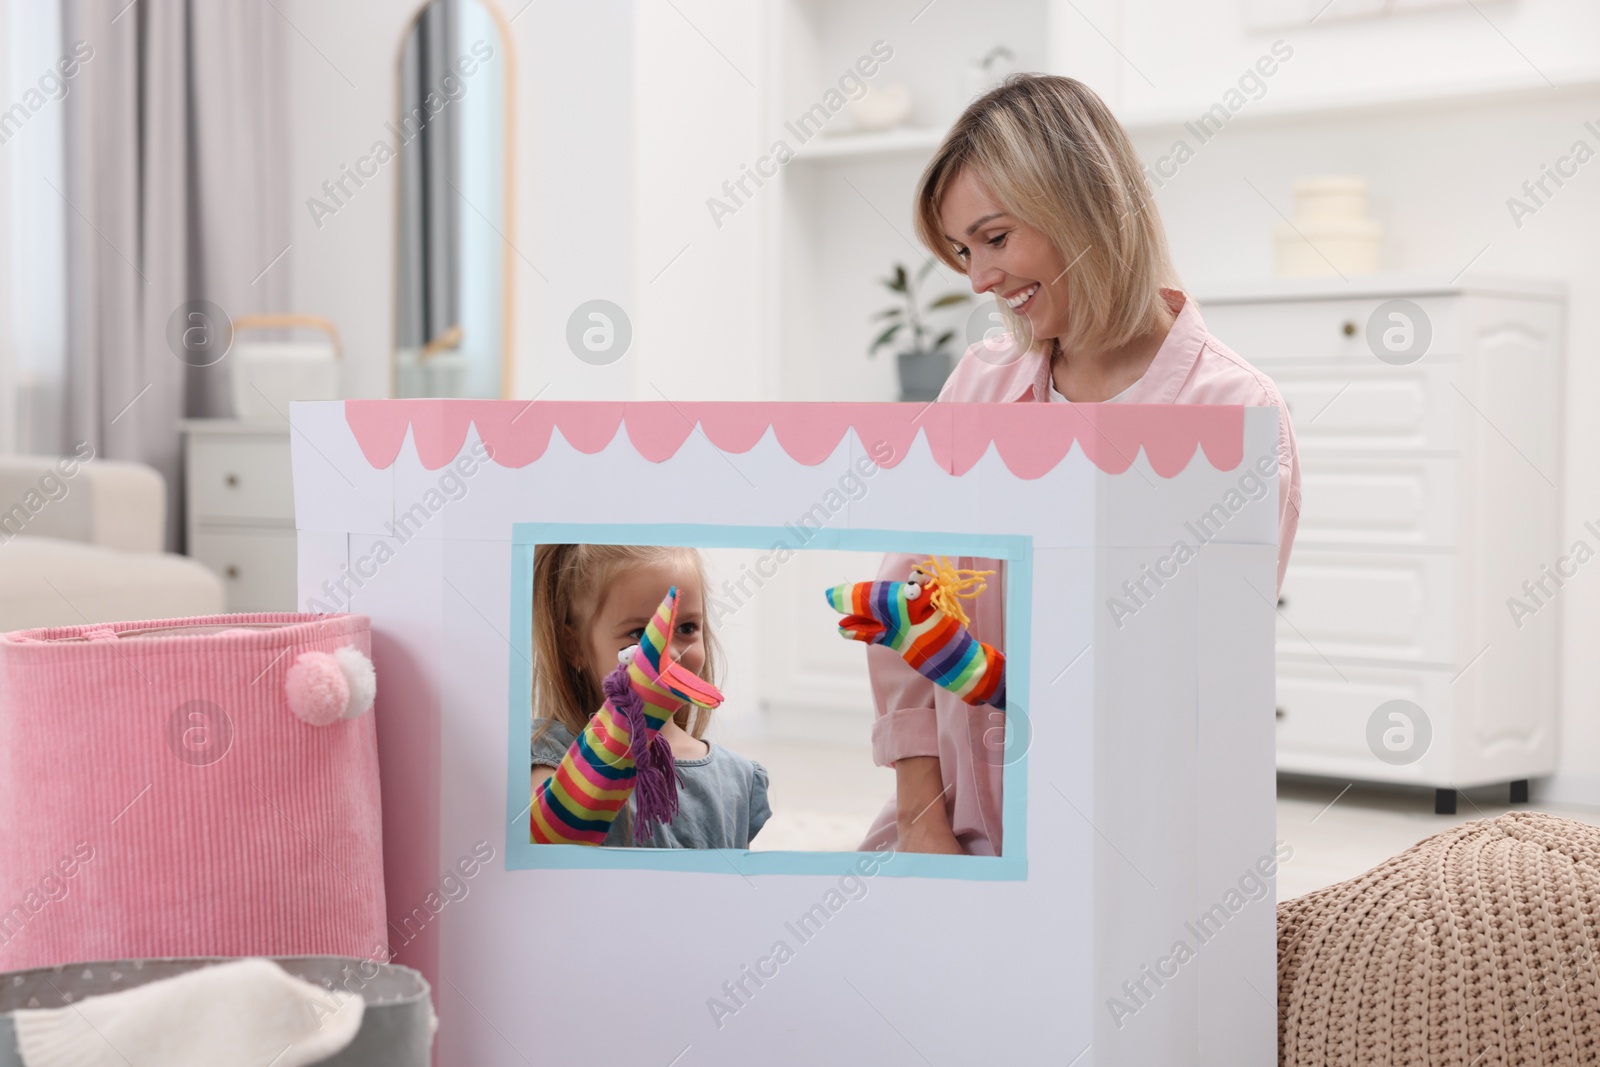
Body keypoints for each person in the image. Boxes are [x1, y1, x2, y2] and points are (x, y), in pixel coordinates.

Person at [863, 73, 1302, 856]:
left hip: (1134, 837)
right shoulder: (980, 382)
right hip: (957, 823)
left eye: (996, 239)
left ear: (1084, 207)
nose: (978, 279)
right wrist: (924, 820)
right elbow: (903, 606)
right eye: (965, 251)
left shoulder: (1231, 411)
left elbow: (1200, 677)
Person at [528, 543, 770, 848]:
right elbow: (547, 845)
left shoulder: (736, 778)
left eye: (686, 627)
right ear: (573, 646)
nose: (669, 653)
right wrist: (627, 726)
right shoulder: (548, 752)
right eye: (640, 633)